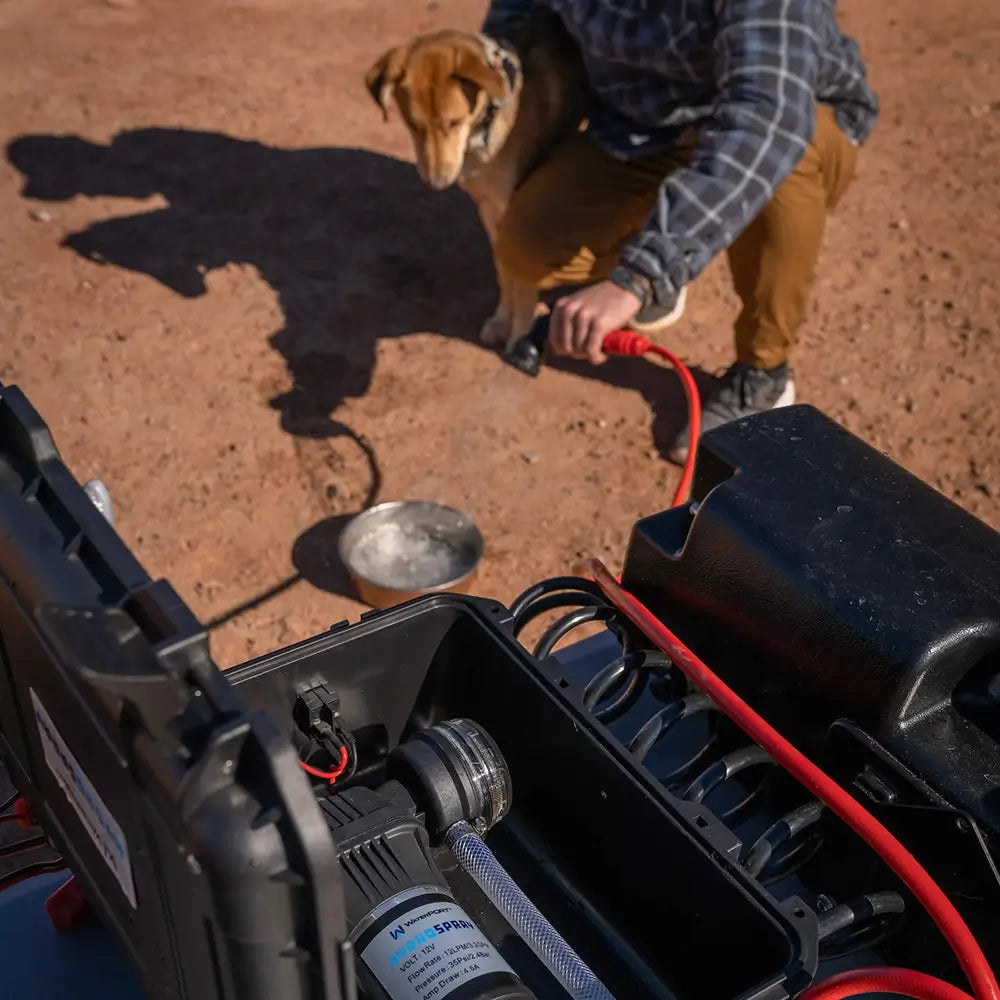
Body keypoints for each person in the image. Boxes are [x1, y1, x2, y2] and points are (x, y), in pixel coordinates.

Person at [483, 0, 879, 462]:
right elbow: (518, 15)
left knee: (780, 163)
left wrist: (639, 276)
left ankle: (761, 373)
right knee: (529, 246)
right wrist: (490, 64)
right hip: (643, 129)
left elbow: (769, 123)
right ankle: (677, 242)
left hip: (789, 122)